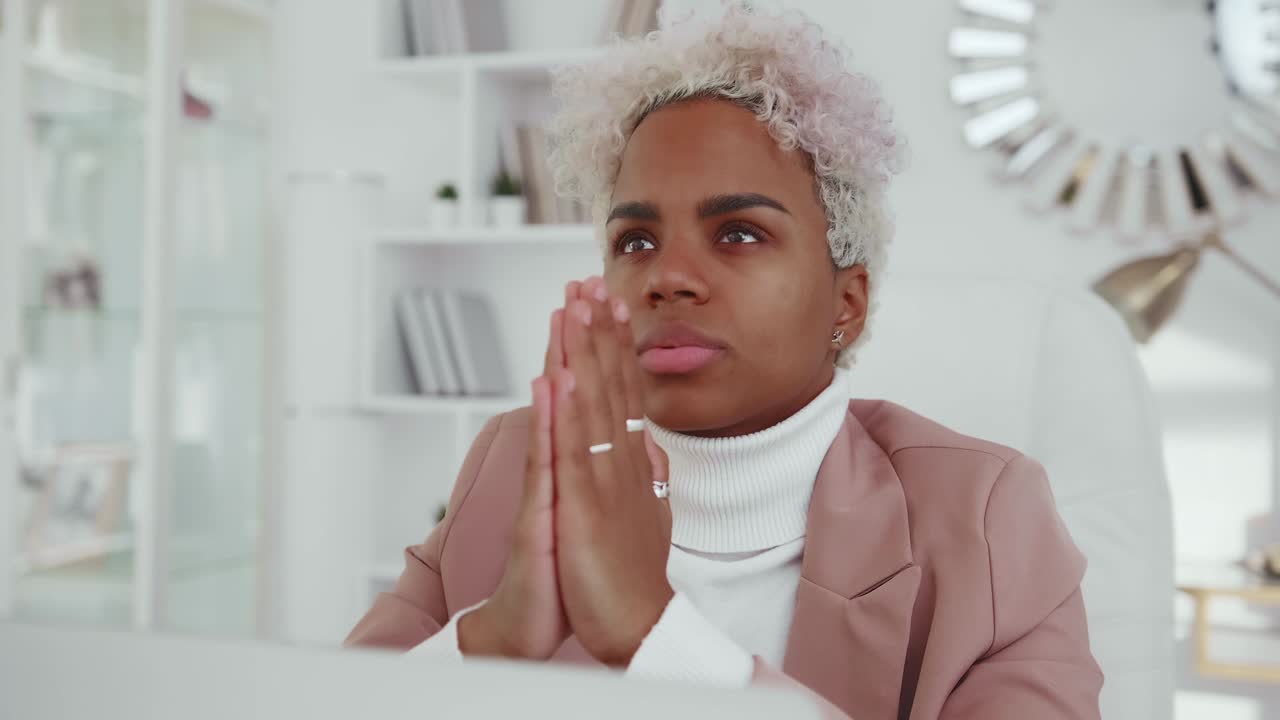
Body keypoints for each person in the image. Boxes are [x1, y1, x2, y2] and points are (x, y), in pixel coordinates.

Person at [346, 3, 1103, 718]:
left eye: (739, 232)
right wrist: (493, 639)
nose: (667, 276)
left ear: (847, 303)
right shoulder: (510, 469)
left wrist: (652, 632)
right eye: (634, 241)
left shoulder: (985, 518)